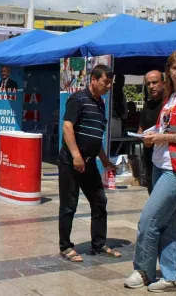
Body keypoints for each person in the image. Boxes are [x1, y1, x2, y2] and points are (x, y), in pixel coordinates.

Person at [125, 51, 176, 292]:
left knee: (148, 220)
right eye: (175, 68)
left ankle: (143, 271)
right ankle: (173, 277)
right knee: (168, 223)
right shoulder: (171, 97)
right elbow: (164, 126)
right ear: (168, 72)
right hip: (162, 165)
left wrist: (164, 136)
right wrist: (150, 134)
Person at [58, 64, 122, 263]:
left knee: (99, 201)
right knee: (69, 205)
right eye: (105, 82)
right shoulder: (78, 99)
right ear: (93, 79)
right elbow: (67, 126)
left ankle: (99, 244)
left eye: (110, 83)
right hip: (71, 162)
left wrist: (105, 160)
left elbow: (96, 136)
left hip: (90, 163)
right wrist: (76, 155)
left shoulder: (101, 103)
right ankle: (66, 247)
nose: (108, 86)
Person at [138, 69, 176, 267]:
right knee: (159, 211)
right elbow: (143, 129)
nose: (152, 87)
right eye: (148, 84)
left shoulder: (172, 103)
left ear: (164, 82)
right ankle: (166, 253)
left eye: (155, 82)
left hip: (173, 164)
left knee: (175, 208)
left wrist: (161, 138)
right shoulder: (148, 106)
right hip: (153, 162)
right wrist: (143, 138)